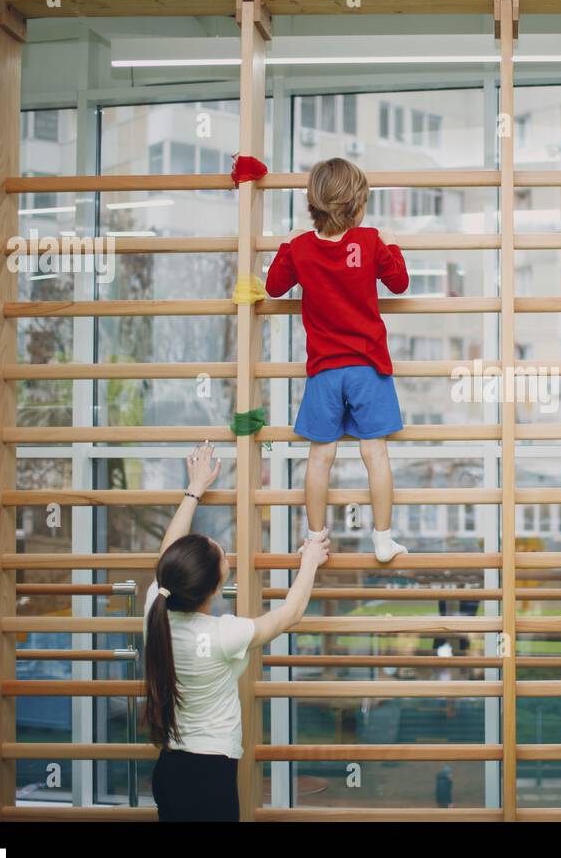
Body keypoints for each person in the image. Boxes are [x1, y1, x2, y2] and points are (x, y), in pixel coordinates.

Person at [142, 440, 329, 821]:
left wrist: (195, 488)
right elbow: (290, 614)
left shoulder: (154, 607)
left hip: (171, 770)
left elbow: (169, 556)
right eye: (222, 555)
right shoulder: (222, 635)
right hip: (210, 776)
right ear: (214, 588)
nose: (225, 554)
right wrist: (309, 560)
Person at [264, 157, 410, 562]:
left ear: (312, 205)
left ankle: (315, 539)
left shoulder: (300, 248)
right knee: (375, 453)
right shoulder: (369, 241)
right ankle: (382, 538)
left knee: (320, 456)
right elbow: (399, 282)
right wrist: (391, 242)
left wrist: (288, 243)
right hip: (367, 368)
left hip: (324, 371)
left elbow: (274, 288)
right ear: (359, 206)